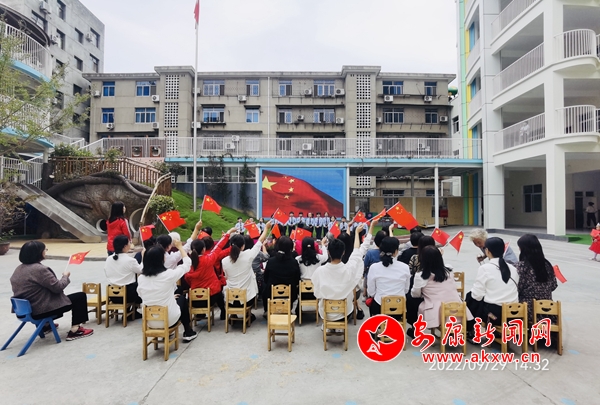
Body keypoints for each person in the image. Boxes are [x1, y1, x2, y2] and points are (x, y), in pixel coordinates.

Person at [10, 241, 93, 341]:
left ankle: (45, 325)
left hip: (25, 310)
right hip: (40, 310)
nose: (45, 251)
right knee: (80, 296)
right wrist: (65, 276)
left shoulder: (18, 269)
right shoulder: (39, 269)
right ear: (38, 253)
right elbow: (58, 287)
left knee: (41, 294)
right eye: (44, 249)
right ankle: (76, 330)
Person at [137, 240, 197, 342]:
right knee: (181, 299)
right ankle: (188, 331)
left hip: (149, 320)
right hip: (169, 319)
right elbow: (187, 264)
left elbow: (141, 294)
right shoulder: (168, 275)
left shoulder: (141, 278)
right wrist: (180, 248)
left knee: (175, 298)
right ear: (161, 259)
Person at [312, 222, 370, 322]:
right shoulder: (349, 269)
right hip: (345, 312)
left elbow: (316, 293)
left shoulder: (319, 271)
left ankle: (327, 324)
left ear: (328, 252)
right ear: (343, 252)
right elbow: (357, 253)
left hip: (325, 312)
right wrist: (357, 233)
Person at [466, 237, 519, 341]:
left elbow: (477, 295)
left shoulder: (485, 268)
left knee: (471, 297)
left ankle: (470, 330)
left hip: (494, 316)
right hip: (514, 315)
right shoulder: (513, 269)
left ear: (487, 251)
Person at [411, 246, 472, 329]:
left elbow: (415, 294)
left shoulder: (421, 276)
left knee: (414, 301)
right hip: (457, 309)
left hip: (437, 313)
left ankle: (415, 327)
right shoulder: (449, 271)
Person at [222, 220, 272, 317]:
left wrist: (228, 232)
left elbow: (226, 277)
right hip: (247, 298)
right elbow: (260, 241)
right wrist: (266, 228)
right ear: (243, 246)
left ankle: (233, 315)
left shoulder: (224, 261)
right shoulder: (248, 255)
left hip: (230, 299)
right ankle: (247, 315)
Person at [185, 227, 236, 321]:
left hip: (194, 300)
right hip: (210, 297)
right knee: (218, 289)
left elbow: (187, 279)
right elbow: (219, 247)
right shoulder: (209, 259)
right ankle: (223, 311)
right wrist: (228, 233)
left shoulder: (187, 263)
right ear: (203, 249)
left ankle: (199, 314)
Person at [516, 234, 558, 324]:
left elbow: (517, 288)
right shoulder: (547, 265)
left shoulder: (522, 266)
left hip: (528, 310)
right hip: (547, 310)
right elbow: (553, 286)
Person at [366, 237, 410, 316]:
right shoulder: (405, 267)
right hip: (399, 308)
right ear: (396, 251)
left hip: (379, 307)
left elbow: (371, 292)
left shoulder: (374, 267)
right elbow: (406, 290)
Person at [262, 236, 301, 314]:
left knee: (264, 285)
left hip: (271, 292)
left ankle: (267, 309)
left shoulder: (271, 261)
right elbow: (297, 279)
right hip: (290, 293)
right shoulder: (294, 262)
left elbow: (266, 278)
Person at [104, 235, 143, 311]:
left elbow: (106, 272)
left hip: (113, 295)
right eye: (129, 243)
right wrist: (143, 258)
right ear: (125, 246)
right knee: (141, 286)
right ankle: (133, 311)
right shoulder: (130, 260)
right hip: (128, 294)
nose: (130, 244)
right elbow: (141, 270)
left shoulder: (109, 259)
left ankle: (129, 312)